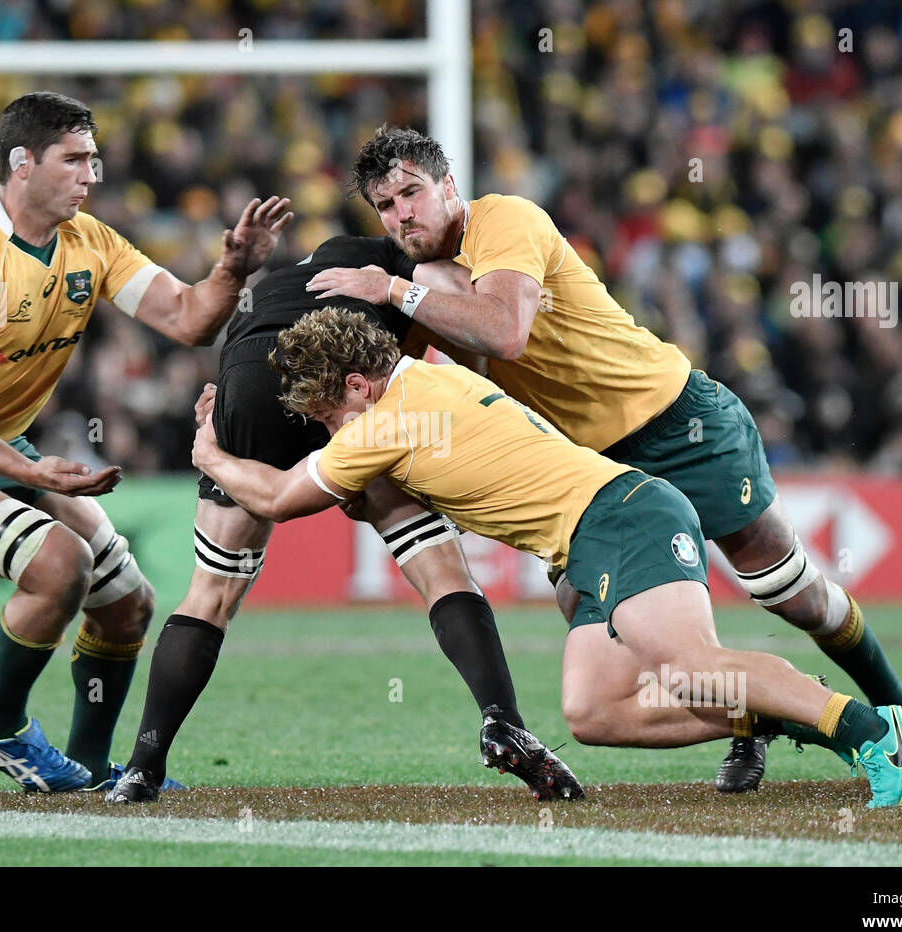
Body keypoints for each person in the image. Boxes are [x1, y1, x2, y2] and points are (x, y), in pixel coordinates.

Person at [305, 126, 902, 792]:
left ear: (448, 186)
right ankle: (756, 716)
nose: (402, 215)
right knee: (606, 643)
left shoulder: (503, 220)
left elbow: (504, 330)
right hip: (594, 473)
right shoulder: (422, 291)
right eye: (385, 206)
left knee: (792, 594)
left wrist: (392, 291)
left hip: (678, 422)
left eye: (412, 193)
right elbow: (394, 406)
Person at [190, 307, 902, 809]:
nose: (331, 433)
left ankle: (870, 733)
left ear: (357, 385)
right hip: (593, 537)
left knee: (689, 665)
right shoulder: (434, 378)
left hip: (622, 518)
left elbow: (283, 498)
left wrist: (209, 453)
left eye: (328, 416)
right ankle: (778, 715)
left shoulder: (383, 422)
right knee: (596, 711)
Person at [0, 91, 291, 792]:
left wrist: (233, 269)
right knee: (59, 564)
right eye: (75, 159)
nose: (92, 174)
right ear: (22, 164)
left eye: (94, 158)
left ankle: (88, 765)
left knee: (130, 604)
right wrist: (39, 475)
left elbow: (187, 319)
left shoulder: (90, 241)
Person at [106, 234, 580, 804]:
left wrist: (210, 451)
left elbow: (245, 390)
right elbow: (465, 311)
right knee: (442, 572)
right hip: (357, 388)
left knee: (209, 595)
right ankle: (503, 720)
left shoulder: (280, 285)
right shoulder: (392, 261)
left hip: (256, 378)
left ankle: (142, 767)